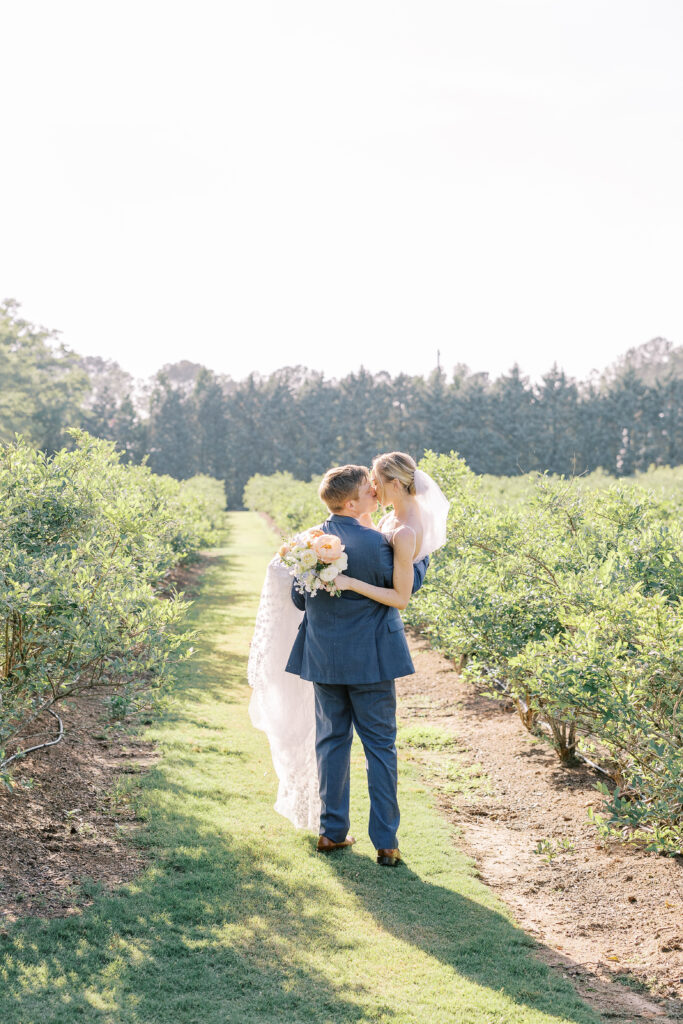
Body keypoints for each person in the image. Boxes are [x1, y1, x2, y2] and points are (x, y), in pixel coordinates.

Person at [247, 457, 449, 866]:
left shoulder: (306, 543)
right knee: (380, 747)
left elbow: (300, 598)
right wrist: (422, 558)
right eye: (368, 489)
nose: (375, 491)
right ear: (354, 503)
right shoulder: (385, 544)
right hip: (373, 657)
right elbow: (405, 588)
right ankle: (386, 842)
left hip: (324, 655)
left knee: (331, 741)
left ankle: (331, 832)